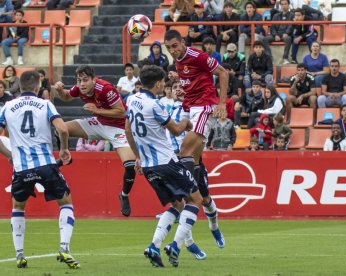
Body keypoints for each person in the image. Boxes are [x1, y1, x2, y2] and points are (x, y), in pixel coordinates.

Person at [0, 70, 80, 269]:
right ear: (38, 86)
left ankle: (19, 255)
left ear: (19, 87)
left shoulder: (7, 106)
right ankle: (64, 247)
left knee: (18, 207)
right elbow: (62, 129)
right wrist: (64, 149)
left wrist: (10, 155)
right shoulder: (45, 104)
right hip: (45, 164)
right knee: (65, 202)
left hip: (21, 168)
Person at [124, 65, 201, 268]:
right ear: (158, 83)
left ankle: (154, 246)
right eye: (163, 83)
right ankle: (175, 246)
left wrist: (138, 156)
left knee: (177, 204)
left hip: (149, 167)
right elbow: (176, 130)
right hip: (166, 162)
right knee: (195, 199)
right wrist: (186, 122)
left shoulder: (131, 100)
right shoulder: (154, 105)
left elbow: (128, 130)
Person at [164, 30, 227, 257]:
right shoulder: (179, 63)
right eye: (169, 48)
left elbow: (223, 72)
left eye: (175, 46)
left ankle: (179, 203)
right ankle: (210, 228)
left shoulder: (196, 55)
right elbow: (192, 80)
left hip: (204, 107)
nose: (173, 51)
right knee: (203, 194)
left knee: (183, 153)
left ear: (182, 42)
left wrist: (221, 103)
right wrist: (179, 81)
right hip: (190, 109)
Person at [54, 65, 138, 217]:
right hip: (99, 123)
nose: (82, 84)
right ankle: (64, 156)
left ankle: (124, 195)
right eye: (79, 80)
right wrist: (60, 90)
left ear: (94, 79)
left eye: (85, 80)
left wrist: (97, 110)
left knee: (130, 166)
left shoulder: (105, 88)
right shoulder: (80, 87)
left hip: (118, 128)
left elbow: (122, 112)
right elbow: (66, 97)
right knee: (61, 128)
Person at [263, 0, 293, 64]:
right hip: (276, 34)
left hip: (285, 34)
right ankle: (270, 58)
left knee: (288, 39)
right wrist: (275, 35)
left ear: (288, 5)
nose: (284, 6)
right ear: (280, 5)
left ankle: (285, 58)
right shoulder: (276, 15)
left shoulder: (292, 15)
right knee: (264, 39)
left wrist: (287, 33)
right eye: (282, 4)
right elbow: (272, 27)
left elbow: (291, 26)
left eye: (285, 4)